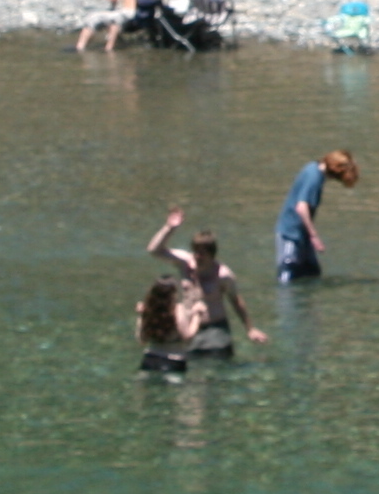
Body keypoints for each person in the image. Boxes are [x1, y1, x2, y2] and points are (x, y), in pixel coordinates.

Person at [148, 208, 263, 357]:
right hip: (189, 328)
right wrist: (169, 228)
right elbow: (154, 250)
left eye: (202, 253)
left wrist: (250, 329)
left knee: (218, 368)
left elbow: (236, 301)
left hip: (215, 331)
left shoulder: (223, 275)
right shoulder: (184, 263)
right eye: (195, 251)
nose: (197, 256)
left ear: (212, 254)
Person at [276, 149, 358, 283]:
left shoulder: (313, 168)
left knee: (312, 272)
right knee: (288, 272)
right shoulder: (314, 177)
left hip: (302, 234)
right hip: (291, 234)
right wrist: (314, 236)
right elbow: (301, 207)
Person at [132, 277, 191, 379]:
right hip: (174, 360)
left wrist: (141, 315)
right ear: (173, 294)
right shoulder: (178, 309)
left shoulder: (149, 310)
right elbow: (188, 337)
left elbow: (141, 340)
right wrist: (197, 316)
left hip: (150, 359)